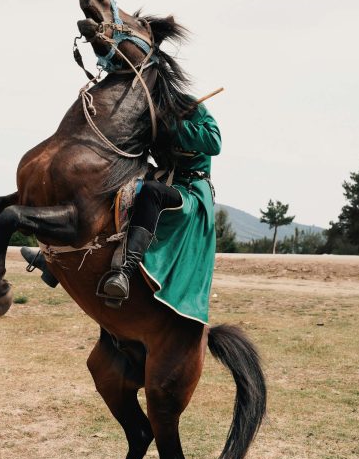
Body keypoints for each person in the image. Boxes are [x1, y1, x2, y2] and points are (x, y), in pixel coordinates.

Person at [22, 100, 221, 319]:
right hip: (163, 179)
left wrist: (175, 126)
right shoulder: (152, 116)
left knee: (152, 192)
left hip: (191, 190)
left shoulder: (194, 109)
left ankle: (123, 272)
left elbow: (214, 142)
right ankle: (54, 264)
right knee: (113, 184)